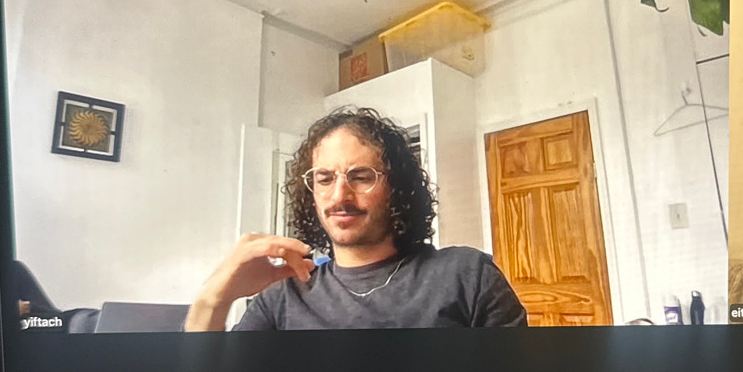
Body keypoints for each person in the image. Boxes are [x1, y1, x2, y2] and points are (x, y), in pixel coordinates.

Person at [185, 104, 528, 331]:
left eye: (361, 176)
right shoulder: (284, 297)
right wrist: (214, 299)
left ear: (397, 187)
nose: (339, 197)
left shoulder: (468, 276)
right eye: (324, 179)